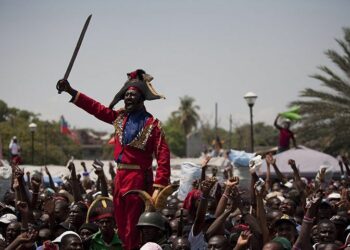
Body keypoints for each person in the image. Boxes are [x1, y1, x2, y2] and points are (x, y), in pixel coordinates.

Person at [56, 69, 171, 250]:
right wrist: (71, 91)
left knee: (133, 227)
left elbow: (163, 157)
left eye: (132, 95)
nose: (128, 98)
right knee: (121, 224)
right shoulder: (119, 118)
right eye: (126, 95)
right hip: (119, 178)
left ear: (141, 98)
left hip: (138, 180)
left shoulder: (152, 125)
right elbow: (96, 108)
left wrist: (159, 186)